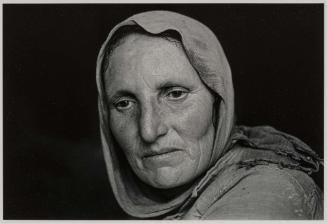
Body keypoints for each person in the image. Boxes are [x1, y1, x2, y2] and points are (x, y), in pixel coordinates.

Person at [95, 10, 323, 219]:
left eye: (175, 94)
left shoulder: (266, 191)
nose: (148, 130)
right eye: (124, 103)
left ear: (218, 100)